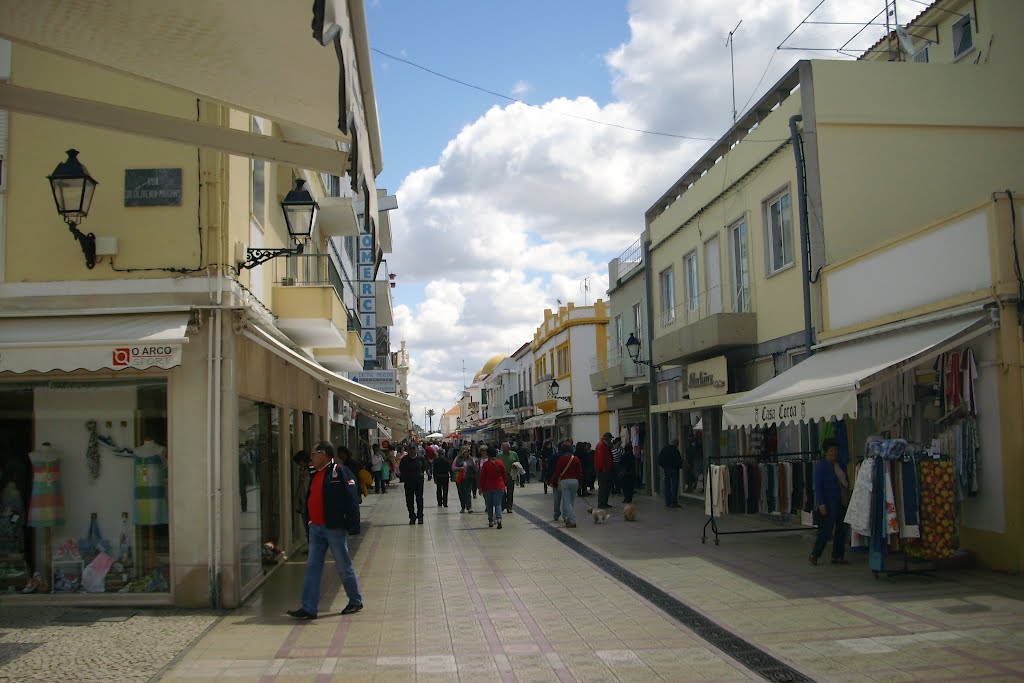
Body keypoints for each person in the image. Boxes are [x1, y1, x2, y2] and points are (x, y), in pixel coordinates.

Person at [287, 442, 362, 619]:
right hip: (316, 528)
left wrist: (353, 525)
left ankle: (355, 600)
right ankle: (308, 607)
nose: (311, 457)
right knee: (313, 567)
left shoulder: (340, 472)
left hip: (334, 527)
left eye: (314, 453)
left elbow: (352, 498)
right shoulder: (314, 473)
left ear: (323, 454)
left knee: (343, 565)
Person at [810, 438, 851, 565]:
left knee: (842, 528)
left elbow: (846, 481)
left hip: (841, 500)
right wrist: (821, 504)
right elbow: (818, 486)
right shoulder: (821, 466)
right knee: (826, 530)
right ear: (826, 452)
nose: (834, 453)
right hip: (828, 501)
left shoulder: (841, 464)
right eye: (832, 450)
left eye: (836, 450)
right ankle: (815, 554)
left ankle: (837, 555)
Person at [550, 440, 582, 528]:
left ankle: (572, 520)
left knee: (567, 502)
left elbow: (557, 472)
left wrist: (553, 481)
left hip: (565, 482)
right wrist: (580, 482)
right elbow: (579, 472)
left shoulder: (561, 459)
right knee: (571, 502)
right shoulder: (575, 458)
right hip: (575, 481)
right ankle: (567, 518)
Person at [478, 446, 507, 529]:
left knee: (489, 504)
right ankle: (499, 520)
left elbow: (482, 477)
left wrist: (480, 487)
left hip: (488, 487)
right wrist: (505, 484)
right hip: (499, 486)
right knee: (498, 504)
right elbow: (504, 474)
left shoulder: (486, 464)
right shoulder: (500, 463)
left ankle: (490, 520)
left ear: (487, 454)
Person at [399, 446, 425, 525]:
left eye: (414, 450)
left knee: (419, 499)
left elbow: (424, 467)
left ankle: (420, 516)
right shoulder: (404, 460)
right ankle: (412, 517)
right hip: (408, 482)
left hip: (419, 482)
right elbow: (401, 469)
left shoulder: (420, 459)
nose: (412, 452)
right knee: (409, 500)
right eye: (411, 450)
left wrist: (420, 475)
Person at [658, 438, 683, 508]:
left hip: (666, 469)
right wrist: (680, 466)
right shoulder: (675, 450)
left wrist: (664, 466)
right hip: (674, 470)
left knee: (667, 485)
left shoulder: (664, 449)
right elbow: (679, 460)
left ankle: (668, 501)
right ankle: (673, 501)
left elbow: (659, 460)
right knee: (674, 485)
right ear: (676, 444)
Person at [292, 450, 311, 536]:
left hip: (308, 505)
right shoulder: (305, 472)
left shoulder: (309, 473)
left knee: (310, 530)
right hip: (304, 505)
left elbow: (304, 489)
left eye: (300, 463)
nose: (299, 466)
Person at [496, 442, 518, 513]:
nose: (504, 450)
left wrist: (515, 465)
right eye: (503, 448)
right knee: (502, 491)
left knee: (510, 491)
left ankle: (509, 507)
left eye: (505, 448)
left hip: (511, 475)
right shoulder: (499, 455)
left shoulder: (514, 454)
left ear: (509, 448)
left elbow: (518, 462)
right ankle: (503, 505)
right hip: (501, 475)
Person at [594, 432, 613, 509]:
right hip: (603, 470)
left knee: (606, 486)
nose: (611, 440)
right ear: (607, 438)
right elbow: (601, 458)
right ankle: (601, 502)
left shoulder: (604, 445)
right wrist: (603, 468)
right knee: (603, 486)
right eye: (610, 438)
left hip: (606, 469)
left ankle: (604, 502)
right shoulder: (601, 445)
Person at [453, 447, 475, 514]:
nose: (466, 453)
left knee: (468, 492)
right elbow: (453, 468)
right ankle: (463, 507)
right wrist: (459, 468)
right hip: (460, 478)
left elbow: (475, 467)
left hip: (469, 478)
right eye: (465, 452)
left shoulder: (471, 459)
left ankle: (469, 507)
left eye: (467, 451)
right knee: (461, 493)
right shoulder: (457, 458)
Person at [618, 438, 636, 504]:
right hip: (631, 473)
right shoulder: (632, 456)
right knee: (630, 487)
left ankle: (626, 498)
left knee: (625, 487)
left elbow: (621, 464)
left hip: (624, 474)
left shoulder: (623, 456)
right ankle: (629, 498)